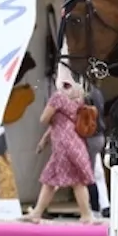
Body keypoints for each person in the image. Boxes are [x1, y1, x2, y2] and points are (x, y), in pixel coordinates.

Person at [25, 80, 96, 224]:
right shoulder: (78, 98)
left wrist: (49, 109)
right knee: (51, 177)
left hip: (62, 143)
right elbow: (61, 121)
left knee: (75, 179)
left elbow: (44, 119)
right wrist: (44, 141)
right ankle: (38, 212)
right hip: (74, 140)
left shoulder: (58, 97)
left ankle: (86, 214)